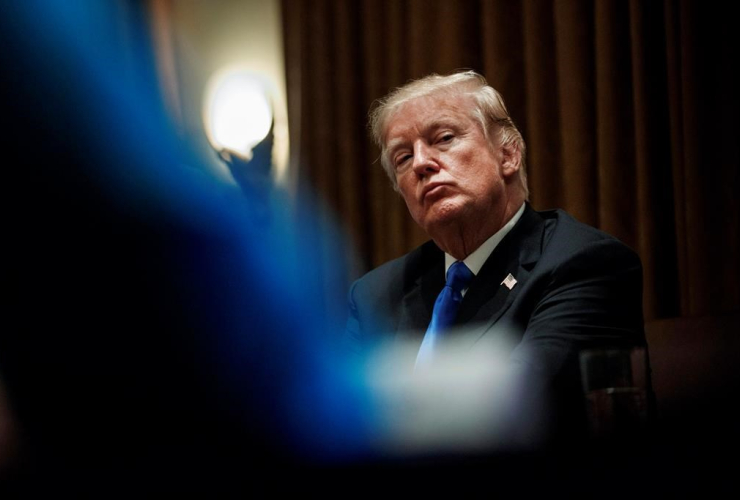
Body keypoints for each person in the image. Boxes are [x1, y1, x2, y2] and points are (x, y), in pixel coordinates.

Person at [346, 71, 649, 445]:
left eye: (443, 138)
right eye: (403, 157)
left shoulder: (585, 264)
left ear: (508, 153)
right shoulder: (374, 293)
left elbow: (522, 401)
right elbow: (329, 419)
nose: (421, 163)